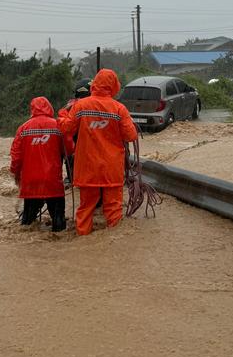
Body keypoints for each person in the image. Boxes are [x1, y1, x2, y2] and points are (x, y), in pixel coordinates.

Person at [59, 68, 137, 236]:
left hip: (87, 168)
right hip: (112, 168)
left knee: (86, 208)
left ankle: (83, 241)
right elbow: (130, 136)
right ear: (114, 86)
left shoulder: (81, 105)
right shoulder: (119, 109)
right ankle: (113, 243)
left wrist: (61, 117)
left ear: (94, 84)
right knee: (114, 208)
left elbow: (67, 128)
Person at [10, 96, 74, 231]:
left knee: (27, 224)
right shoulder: (58, 125)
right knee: (59, 225)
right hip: (52, 182)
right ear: (49, 108)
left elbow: (16, 156)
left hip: (31, 183)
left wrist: (15, 173)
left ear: (32, 109)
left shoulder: (23, 128)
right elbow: (69, 150)